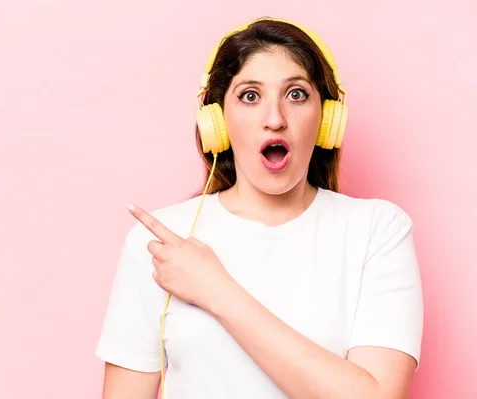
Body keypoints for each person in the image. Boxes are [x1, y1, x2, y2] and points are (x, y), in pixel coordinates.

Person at [95, 17, 424, 399]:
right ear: (217, 121)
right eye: (250, 96)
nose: (274, 119)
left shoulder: (378, 230)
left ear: (327, 119)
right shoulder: (161, 243)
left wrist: (216, 290)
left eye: (296, 94)